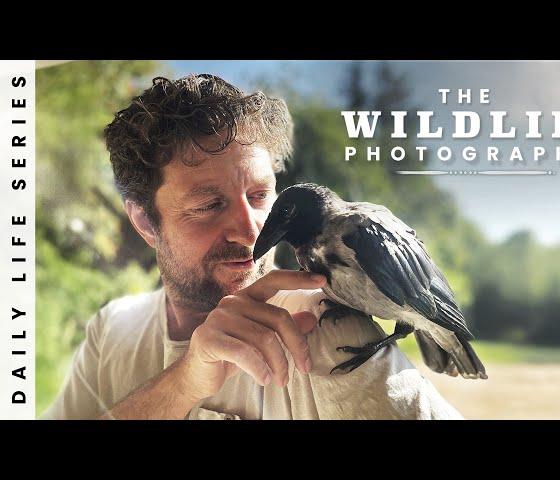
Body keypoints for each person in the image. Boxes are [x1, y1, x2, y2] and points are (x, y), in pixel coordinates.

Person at [41, 74, 463, 420]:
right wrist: (183, 383)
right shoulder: (113, 329)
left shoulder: (322, 331)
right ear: (145, 223)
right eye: (209, 205)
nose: (249, 230)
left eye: (262, 196)